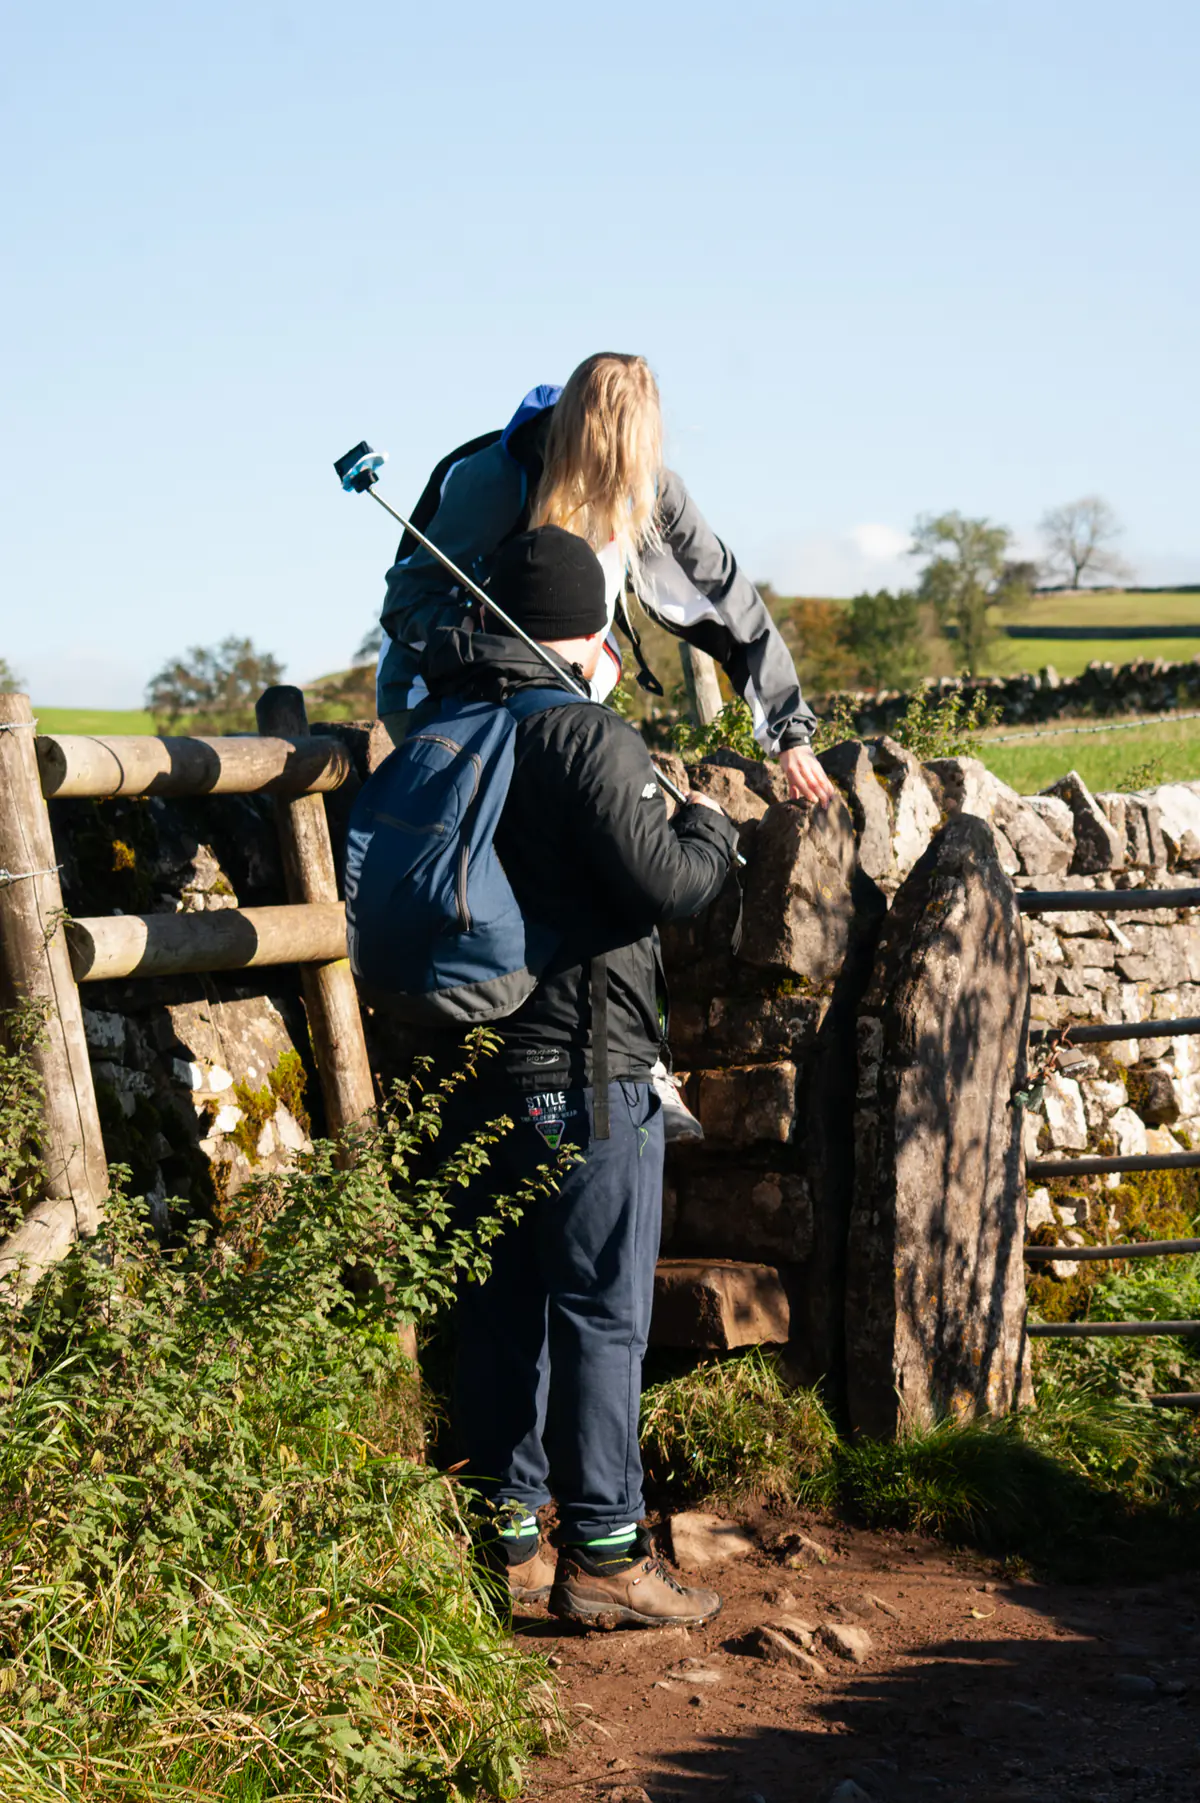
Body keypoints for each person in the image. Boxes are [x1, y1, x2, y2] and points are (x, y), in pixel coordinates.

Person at [428, 522, 739, 1628]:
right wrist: (708, 824)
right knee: (604, 1314)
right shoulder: (582, 732)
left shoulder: (453, 728)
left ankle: (505, 1543)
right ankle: (607, 1552)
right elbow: (665, 883)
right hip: (587, 1068)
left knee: (500, 1305)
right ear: (591, 629)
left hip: (473, 1070)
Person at [376, 351, 836, 810]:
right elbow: (406, 602)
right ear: (575, 439)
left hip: (562, 688)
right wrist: (484, 641)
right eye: (603, 469)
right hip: (432, 685)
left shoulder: (655, 491)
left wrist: (789, 733)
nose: (615, 488)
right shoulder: (494, 480)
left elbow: (732, 602)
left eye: (628, 472)